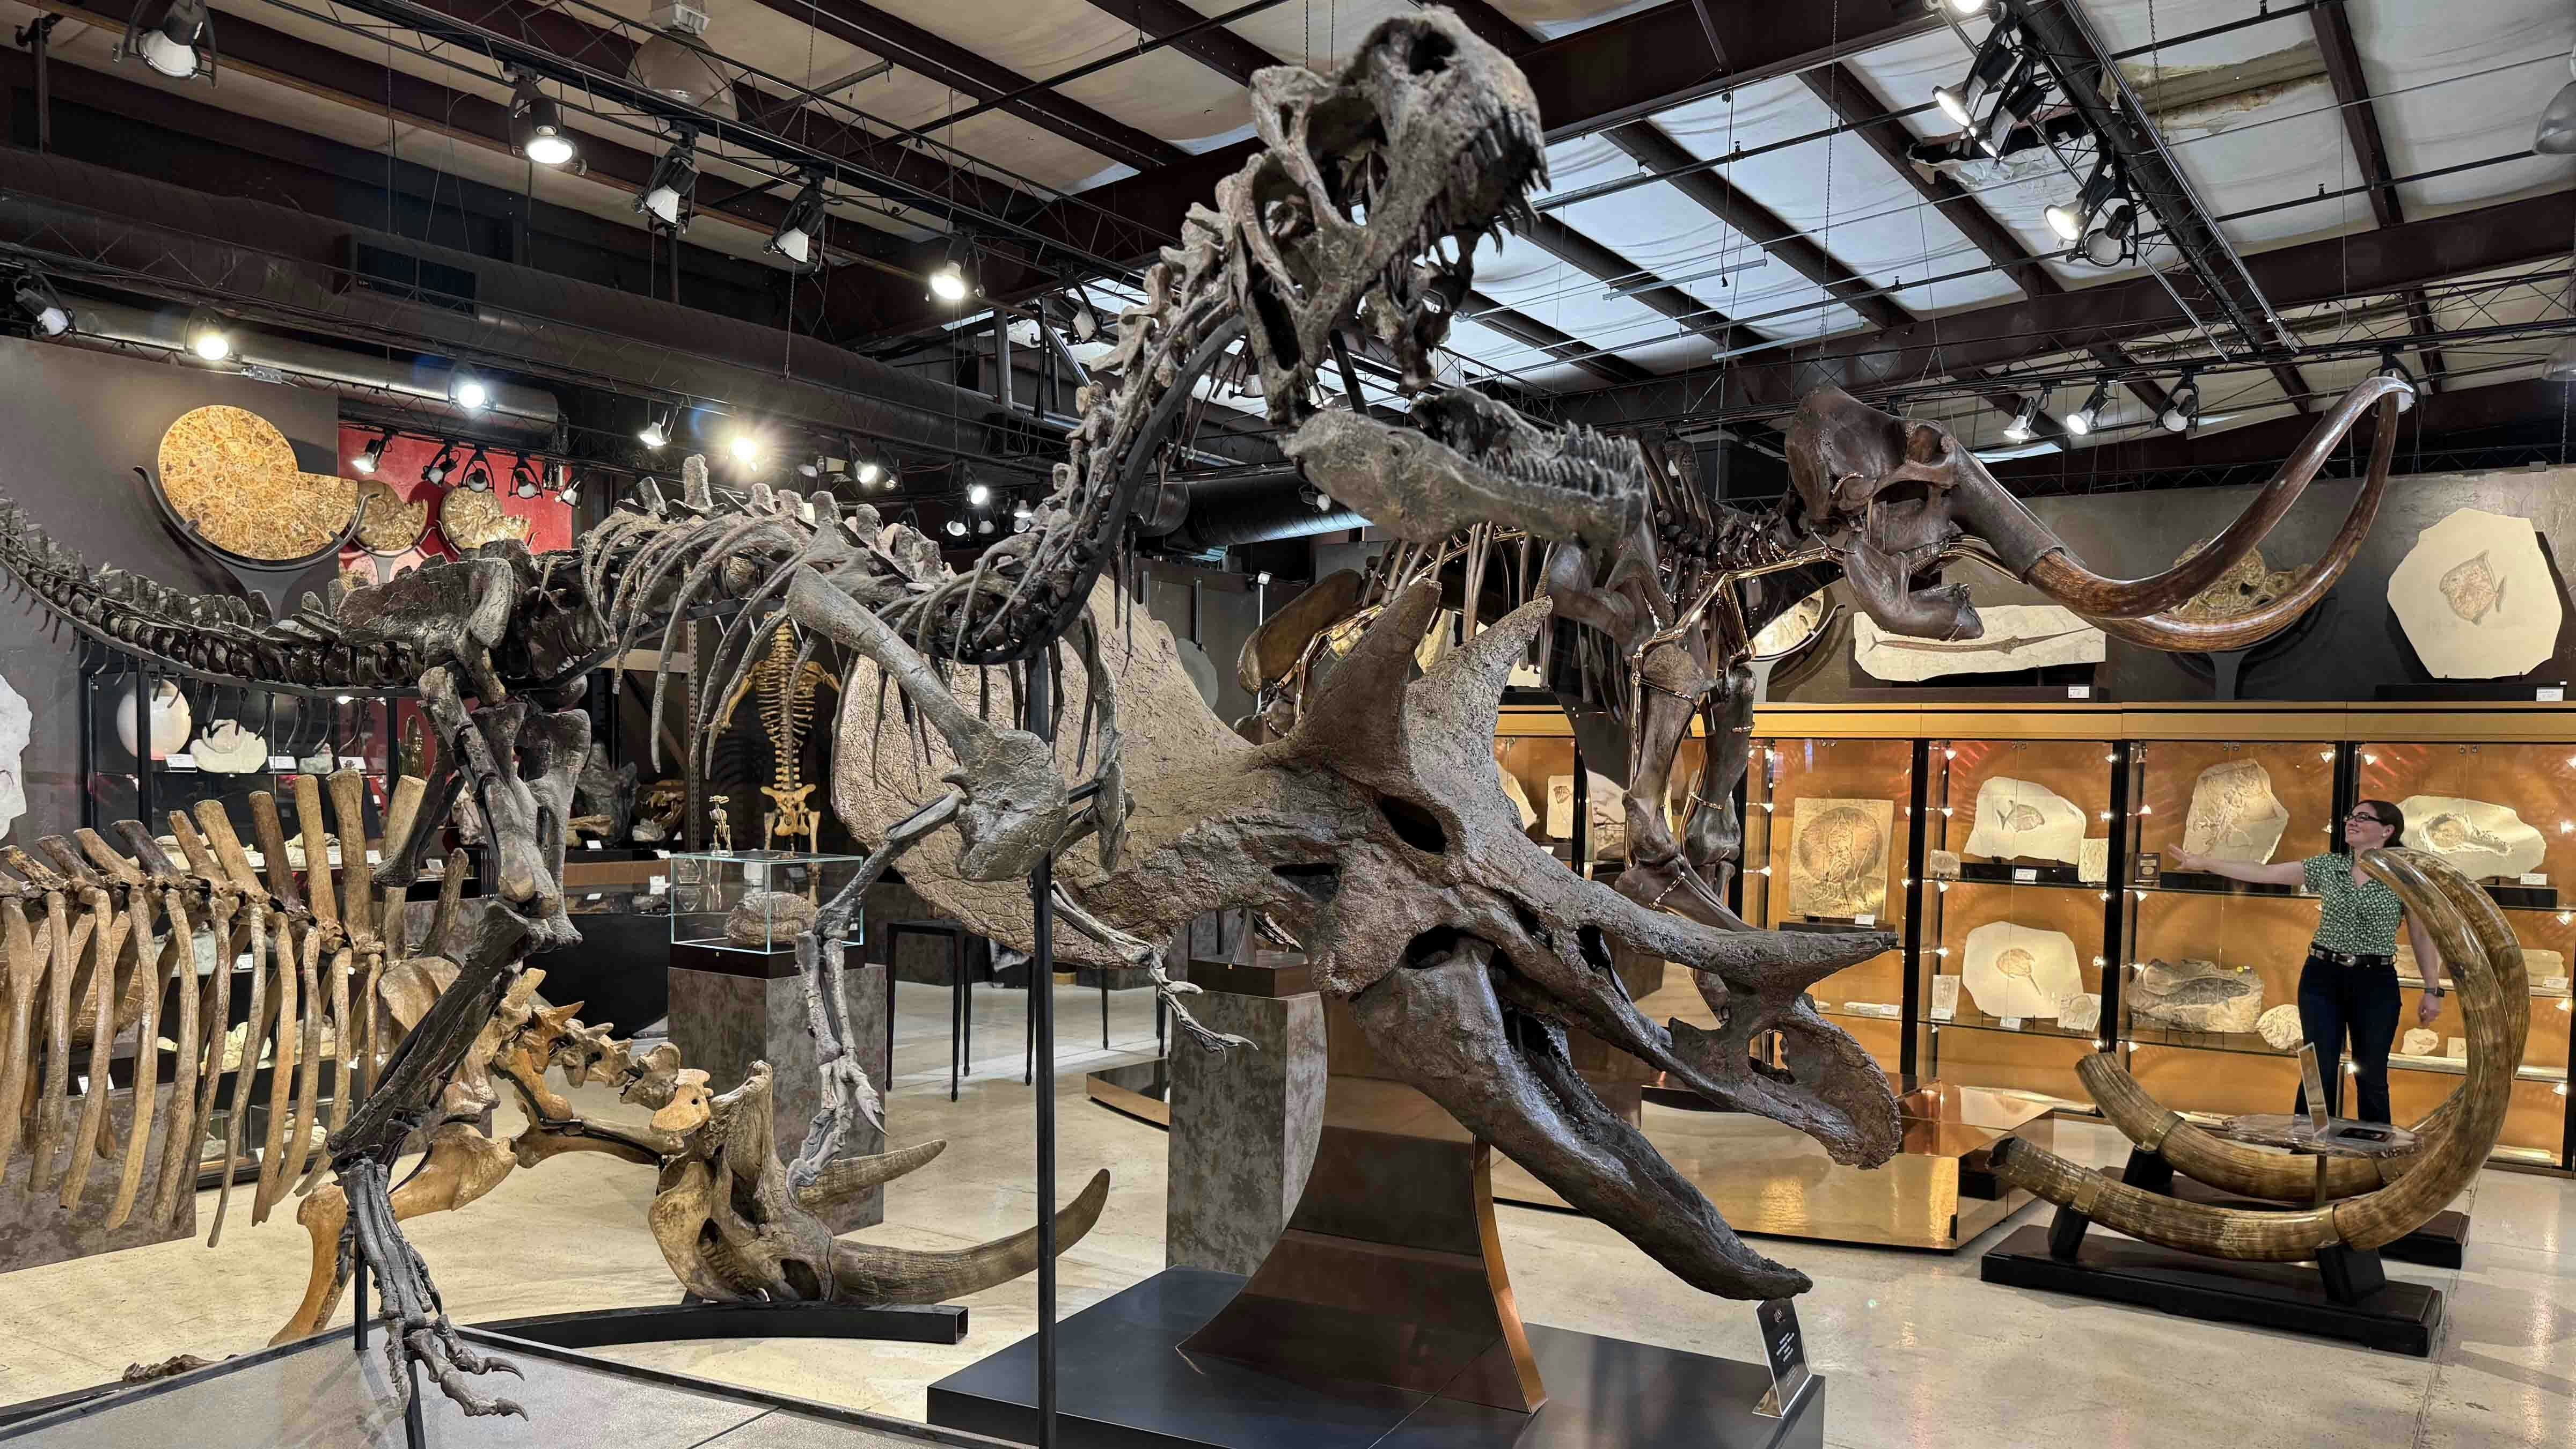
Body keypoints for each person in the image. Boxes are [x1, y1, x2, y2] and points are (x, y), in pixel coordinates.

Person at [2165, 799, 2444, 1124]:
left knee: (2372, 1074)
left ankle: (2376, 1160)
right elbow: (2265, 872)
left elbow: (2422, 936)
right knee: (2318, 1069)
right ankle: (2306, 1152)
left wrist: (2432, 989)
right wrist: (2204, 863)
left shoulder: (2404, 878)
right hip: (2322, 977)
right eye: (2350, 816)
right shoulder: (2328, 867)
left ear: (2387, 830)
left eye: (2363, 818)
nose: (2352, 822)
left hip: (2375, 980)